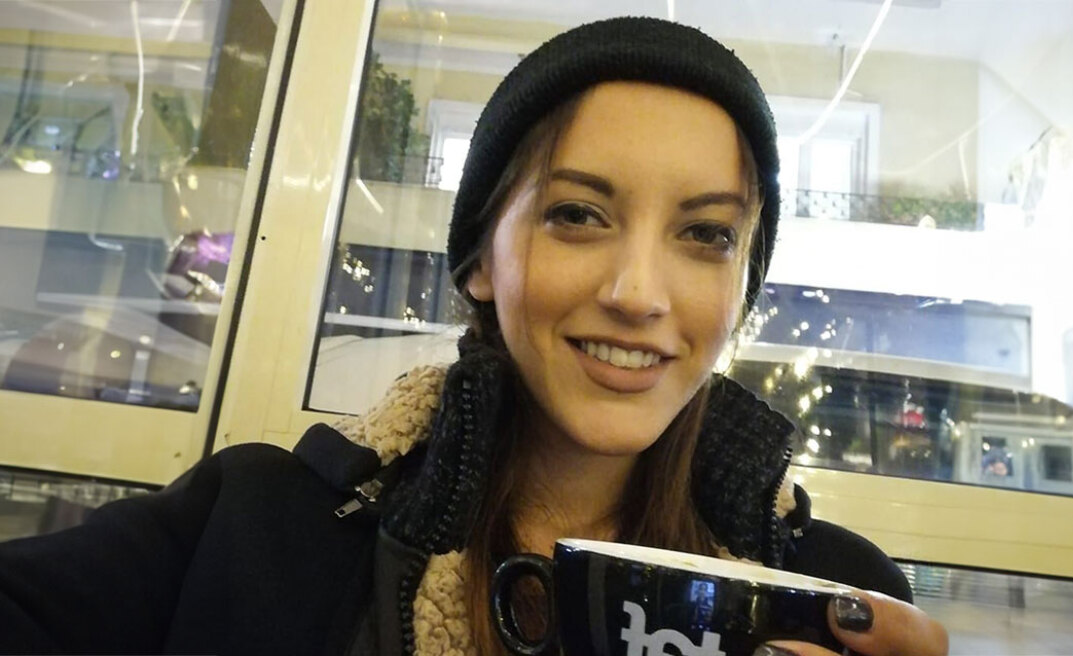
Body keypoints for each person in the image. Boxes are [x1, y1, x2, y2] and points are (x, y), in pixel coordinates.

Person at [0, 17, 948, 656]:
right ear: (480, 261)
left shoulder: (833, 597)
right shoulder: (259, 532)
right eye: (577, 215)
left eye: (706, 234)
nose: (637, 294)